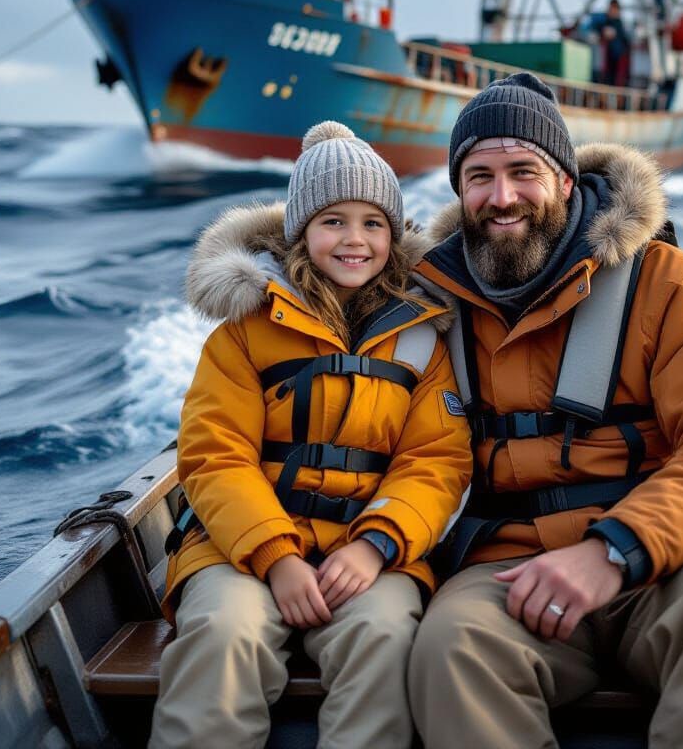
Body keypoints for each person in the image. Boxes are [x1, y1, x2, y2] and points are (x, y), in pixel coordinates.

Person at [407, 73, 683, 749]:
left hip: (676, 565)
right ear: (458, 190)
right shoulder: (428, 309)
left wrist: (615, 550)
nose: (501, 198)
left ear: (565, 180)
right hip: (509, 576)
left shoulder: (677, 288)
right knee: (451, 647)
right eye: (479, 176)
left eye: (522, 172)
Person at [149, 121, 473, 749]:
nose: (354, 239)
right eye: (333, 221)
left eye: (373, 223)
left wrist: (377, 545)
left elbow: (436, 460)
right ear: (300, 231)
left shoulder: (425, 337)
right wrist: (276, 557)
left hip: (370, 553)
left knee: (384, 638)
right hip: (240, 548)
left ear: (395, 235)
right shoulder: (244, 332)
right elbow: (215, 456)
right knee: (223, 633)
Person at [586, 0, 631, 86]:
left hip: (617, 63)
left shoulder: (621, 25)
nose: (613, 11)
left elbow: (625, 43)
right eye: (612, 8)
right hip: (602, 63)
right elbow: (591, 30)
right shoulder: (602, 21)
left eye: (615, 8)